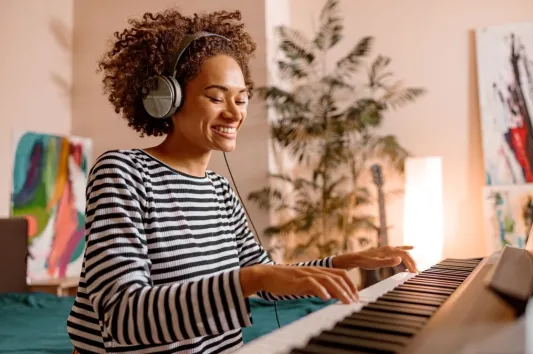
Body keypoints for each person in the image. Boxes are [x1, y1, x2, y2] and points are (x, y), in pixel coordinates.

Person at [66, 8, 418, 354]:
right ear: (166, 99)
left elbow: (264, 276)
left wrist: (345, 261)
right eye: (216, 97)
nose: (234, 113)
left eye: (241, 99)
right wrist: (252, 279)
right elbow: (122, 317)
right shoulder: (123, 173)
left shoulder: (219, 189)